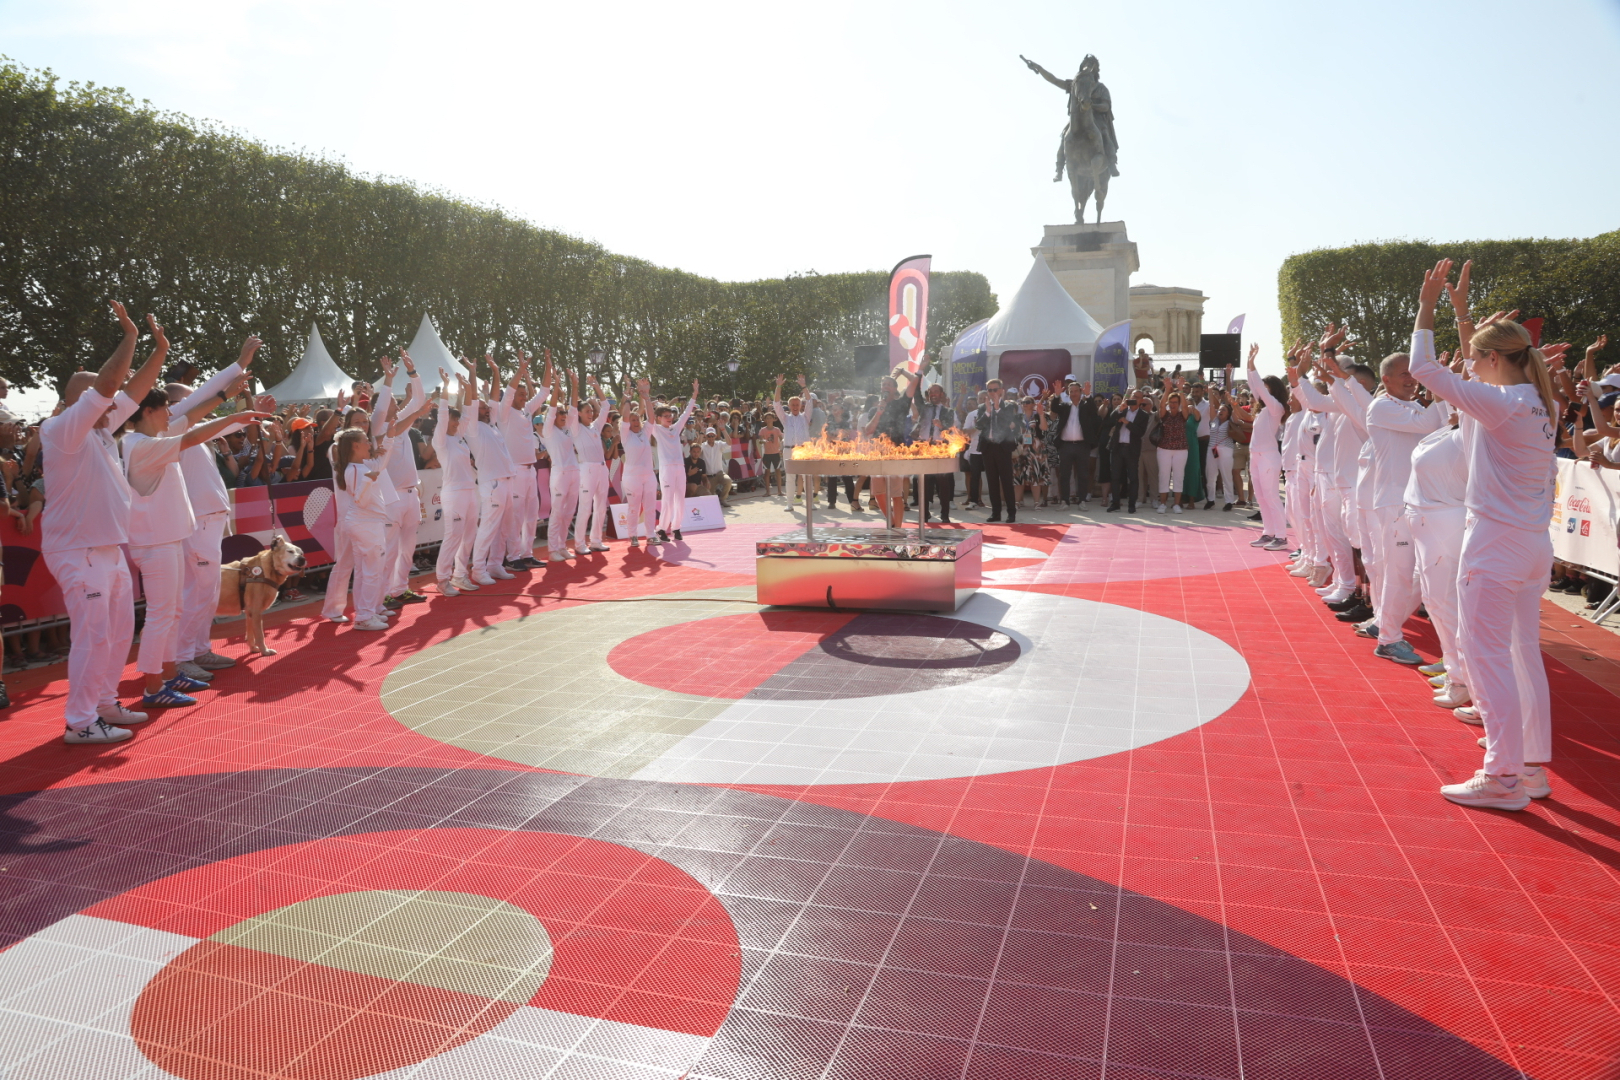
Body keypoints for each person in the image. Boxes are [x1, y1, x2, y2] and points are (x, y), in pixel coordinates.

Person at [1411, 258, 1559, 811]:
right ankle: (1528, 768)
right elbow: (1471, 380)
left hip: (1496, 545)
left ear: (1493, 359)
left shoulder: (1502, 405)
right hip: (1529, 546)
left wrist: (1427, 308)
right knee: (1521, 655)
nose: (1467, 366)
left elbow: (1427, 369)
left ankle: (1501, 774)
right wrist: (1462, 315)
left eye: (1474, 357)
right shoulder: (1539, 401)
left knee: (1489, 657)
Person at [42, 303, 167, 743]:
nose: (112, 399)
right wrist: (130, 337)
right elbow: (115, 383)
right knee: (92, 638)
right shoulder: (63, 428)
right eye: (99, 393)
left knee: (116, 635)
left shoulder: (99, 427)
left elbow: (132, 391)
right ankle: (79, 723)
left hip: (108, 550)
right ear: (80, 400)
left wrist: (160, 351)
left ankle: (104, 704)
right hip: (80, 552)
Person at [123, 387, 271, 706]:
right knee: (189, 597)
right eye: (169, 405)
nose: (170, 412)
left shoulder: (174, 434)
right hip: (171, 533)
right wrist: (229, 394)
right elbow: (198, 422)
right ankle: (177, 660)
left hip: (191, 525)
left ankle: (195, 651)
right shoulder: (159, 437)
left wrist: (244, 412)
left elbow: (210, 425)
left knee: (200, 594)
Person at [371, 354, 432, 608]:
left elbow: (418, 399)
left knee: (408, 549)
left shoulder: (401, 425)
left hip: (410, 495)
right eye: (394, 403)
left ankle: (399, 589)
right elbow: (410, 408)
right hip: (391, 498)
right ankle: (382, 595)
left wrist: (413, 371)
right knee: (390, 550)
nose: (398, 405)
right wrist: (388, 380)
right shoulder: (377, 429)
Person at [460, 355, 519, 584]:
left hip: (506, 480)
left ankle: (495, 565)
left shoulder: (491, 425)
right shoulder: (471, 428)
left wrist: (496, 372)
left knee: (504, 527)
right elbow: (473, 400)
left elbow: (494, 398)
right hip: (492, 483)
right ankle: (478, 570)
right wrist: (472, 373)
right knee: (488, 527)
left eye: (486, 408)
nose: (486, 409)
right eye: (482, 408)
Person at [333, 427, 394, 631]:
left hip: (366, 523)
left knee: (364, 572)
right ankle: (365, 616)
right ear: (355, 446)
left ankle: (365, 612)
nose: (370, 444)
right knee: (371, 572)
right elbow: (361, 499)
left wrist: (390, 438)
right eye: (366, 441)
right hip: (365, 524)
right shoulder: (357, 470)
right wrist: (369, 480)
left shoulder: (360, 467)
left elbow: (380, 463)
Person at [497, 352, 547, 570]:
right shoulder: (504, 411)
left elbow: (545, 391)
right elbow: (508, 393)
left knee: (531, 515)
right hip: (515, 470)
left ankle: (527, 554)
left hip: (531, 469)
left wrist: (547, 363)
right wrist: (520, 370)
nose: (524, 397)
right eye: (520, 394)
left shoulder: (528, 410)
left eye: (525, 394)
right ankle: (512, 557)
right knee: (515, 517)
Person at [432, 377, 479, 595]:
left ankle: (460, 575)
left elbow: (468, 413)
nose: (455, 421)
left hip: (470, 490)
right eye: (452, 418)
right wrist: (444, 389)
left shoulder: (459, 437)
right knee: (453, 537)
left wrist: (468, 389)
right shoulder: (440, 440)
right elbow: (442, 418)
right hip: (454, 493)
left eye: (456, 419)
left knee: (469, 535)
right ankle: (442, 580)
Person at [863, 363, 925, 529]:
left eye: (888, 384)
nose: (885, 387)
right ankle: (891, 521)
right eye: (883, 384)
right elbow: (868, 430)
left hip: (896, 451)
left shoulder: (901, 403)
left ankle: (897, 527)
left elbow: (914, 381)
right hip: (877, 452)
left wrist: (902, 372)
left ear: (895, 388)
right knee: (878, 493)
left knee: (896, 493)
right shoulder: (875, 409)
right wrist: (879, 413)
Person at [1242, 345, 1291, 549]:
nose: (1262, 389)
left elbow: (1258, 388)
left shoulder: (1276, 408)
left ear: (1273, 389)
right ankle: (1268, 532)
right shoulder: (1263, 408)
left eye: (1266, 387)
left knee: (1271, 496)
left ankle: (1281, 536)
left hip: (1270, 456)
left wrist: (1254, 366)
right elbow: (1254, 386)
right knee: (1261, 496)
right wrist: (1249, 364)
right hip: (1256, 455)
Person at [648, 380, 699, 542]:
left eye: (670, 416)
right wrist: (645, 397)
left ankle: (676, 528)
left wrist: (695, 394)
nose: (669, 418)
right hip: (667, 470)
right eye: (666, 416)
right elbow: (649, 415)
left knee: (680, 501)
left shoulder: (676, 428)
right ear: (659, 418)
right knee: (668, 501)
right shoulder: (656, 429)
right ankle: (661, 529)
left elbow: (686, 413)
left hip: (679, 468)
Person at [542, 368, 582, 562]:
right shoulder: (548, 431)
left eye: (564, 413)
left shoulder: (567, 428)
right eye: (560, 413)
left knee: (569, 512)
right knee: (557, 512)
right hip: (559, 474)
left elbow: (574, 407)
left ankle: (562, 545)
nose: (563, 415)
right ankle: (552, 549)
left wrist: (574, 385)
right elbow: (551, 409)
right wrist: (556, 385)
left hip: (575, 472)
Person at [573, 373, 613, 553]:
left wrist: (596, 386)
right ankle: (580, 543)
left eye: (591, 411)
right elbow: (571, 409)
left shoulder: (596, 427)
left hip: (602, 468)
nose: (590, 413)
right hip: (586, 469)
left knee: (601, 506)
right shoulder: (575, 427)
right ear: (579, 413)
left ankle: (596, 540)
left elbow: (605, 407)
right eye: (587, 411)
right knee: (585, 506)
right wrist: (575, 386)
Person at [976, 378, 1023, 523]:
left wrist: (997, 409)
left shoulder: (1009, 406)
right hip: (988, 447)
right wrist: (988, 412)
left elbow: (1008, 423)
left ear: (1001, 390)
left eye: (995, 389)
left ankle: (1011, 513)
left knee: (1006, 481)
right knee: (992, 482)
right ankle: (995, 512)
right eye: (990, 390)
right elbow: (978, 425)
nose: (992, 393)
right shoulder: (983, 407)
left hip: (1003, 448)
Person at [619, 381, 658, 547]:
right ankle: (633, 535)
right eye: (632, 420)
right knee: (634, 507)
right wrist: (628, 398)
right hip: (632, 477)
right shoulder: (625, 435)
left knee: (650, 507)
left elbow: (651, 417)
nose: (635, 422)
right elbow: (625, 416)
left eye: (637, 419)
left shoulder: (645, 432)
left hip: (648, 475)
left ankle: (651, 535)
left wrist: (646, 396)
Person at [1050, 380, 1098, 505]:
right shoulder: (1065, 406)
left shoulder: (1086, 406)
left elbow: (1094, 411)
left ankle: (1082, 500)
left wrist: (1088, 395)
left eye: (1076, 391)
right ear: (1068, 393)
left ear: (1081, 391)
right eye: (1071, 391)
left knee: (1083, 474)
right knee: (1064, 475)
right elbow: (1054, 408)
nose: (1074, 393)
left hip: (1082, 445)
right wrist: (1056, 395)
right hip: (1065, 446)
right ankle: (1065, 501)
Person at [914, 383, 957, 523]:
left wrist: (941, 426)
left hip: (940, 448)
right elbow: (916, 394)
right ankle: (925, 514)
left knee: (943, 482)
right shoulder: (923, 408)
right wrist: (919, 373)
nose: (933, 394)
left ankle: (945, 515)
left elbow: (951, 430)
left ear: (941, 394)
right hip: (924, 446)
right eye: (931, 392)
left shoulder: (948, 411)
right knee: (925, 482)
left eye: (936, 391)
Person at [772, 374, 813, 509]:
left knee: (807, 477)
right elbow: (776, 404)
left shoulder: (805, 417)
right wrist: (778, 387)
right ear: (789, 406)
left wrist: (804, 387)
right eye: (793, 405)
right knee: (790, 478)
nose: (795, 406)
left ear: (800, 405)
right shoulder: (785, 418)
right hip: (789, 450)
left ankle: (810, 503)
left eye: (797, 404)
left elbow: (810, 401)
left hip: (803, 450)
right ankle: (789, 504)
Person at [1105, 390, 1149, 513]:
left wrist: (1127, 423)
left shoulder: (1144, 415)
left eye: (1137, 397)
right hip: (1117, 447)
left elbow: (1140, 432)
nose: (1134, 398)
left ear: (1141, 400)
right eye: (1133, 396)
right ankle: (1115, 504)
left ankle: (1131, 505)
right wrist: (1120, 409)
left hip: (1132, 449)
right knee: (1115, 477)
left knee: (1133, 477)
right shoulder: (1123, 409)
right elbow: (1110, 419)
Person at [1153, 388, 1190, 513]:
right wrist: (1167, 390)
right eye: (1171, 402)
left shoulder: (1183, 415)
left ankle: (1176, 504)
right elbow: (1161, 404)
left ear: (1178, 403)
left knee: (1179, 476)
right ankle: (1162, 503)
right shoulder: (1164, 415)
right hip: (1164, 448)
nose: (1173, 404)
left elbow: (1185, 407)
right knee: (1164, 475)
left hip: (1181, 449)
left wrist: (1180, 390)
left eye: (1175, 402)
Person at [699, 427, 732, 507]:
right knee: (710, 501)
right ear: (706, 437)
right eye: (709, 436)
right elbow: (697, 447)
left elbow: (729, 443)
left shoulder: (719, 444)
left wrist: (723, 430)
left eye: (712, 436)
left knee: (728, 481)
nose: (711, 438)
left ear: (715, 436)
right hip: (708, 477)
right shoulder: (703, 446)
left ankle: (722, 499)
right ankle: (715, 497)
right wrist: (701, 433)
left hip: (719, 474)